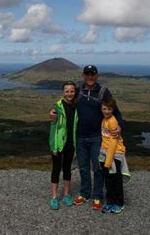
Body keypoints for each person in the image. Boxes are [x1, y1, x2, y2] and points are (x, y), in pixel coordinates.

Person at [51, 65, 125, 210]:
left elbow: (115, 110)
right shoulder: (78, 91)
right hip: (79, 137)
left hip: (97, 136)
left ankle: (97, 195)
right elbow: (65, 101)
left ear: (96, 76)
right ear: (83, 76)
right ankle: (84, 193)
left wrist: (120, 125)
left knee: (97, 167)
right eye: (87, 74)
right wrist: (53, 110)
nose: (90, 77)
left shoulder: (103, 91)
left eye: (93, 74)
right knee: (83, 167)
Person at [48, 81, 78, 210]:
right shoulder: (58, 107)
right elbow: (53, 128)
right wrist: (54, 147)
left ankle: (66, 194)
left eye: (72, 91)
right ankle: (54, 197)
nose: (69, 94)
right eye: (67, 91)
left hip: (71, 144)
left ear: (75, 92)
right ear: (63, 92)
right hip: (59, 145)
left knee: (67, 169)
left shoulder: (77, 106)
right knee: (56, 169)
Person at [99, 97, 130, 214]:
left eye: (109, 109)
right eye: (104, 109)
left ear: (113, 109)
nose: (106, 111)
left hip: (114, 155)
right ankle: (110, 202)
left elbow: (113, 141)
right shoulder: (104, 120)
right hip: (106, 153)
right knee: (108, 180)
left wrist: (108, 161)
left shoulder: (112, 121)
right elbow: (105, 138)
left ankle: (119, 203)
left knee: (116, 180)